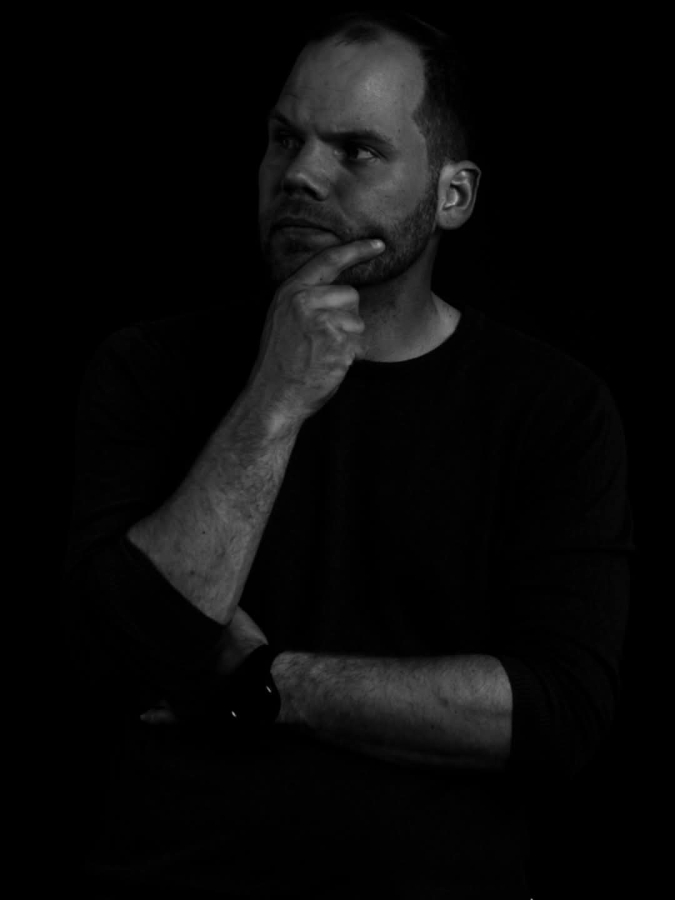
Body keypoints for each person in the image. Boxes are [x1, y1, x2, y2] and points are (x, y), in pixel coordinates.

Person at [61, 10, 634, 898]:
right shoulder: (147, 369)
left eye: (355, 150)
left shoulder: (552, 409)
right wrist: (274, 398)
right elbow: (127, 656)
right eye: (283, 139)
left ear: (452, 195)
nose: (299, 174)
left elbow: (554, 714)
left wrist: (263, 681)